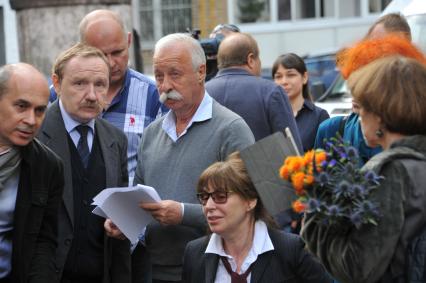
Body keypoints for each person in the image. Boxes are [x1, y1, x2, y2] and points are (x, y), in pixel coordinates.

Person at [105, 33, 255, 282]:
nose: (165, 86)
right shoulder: (153, 132)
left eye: (175, 74)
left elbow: (249, 205)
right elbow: (140, 199)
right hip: (153, 270)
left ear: (201, 72)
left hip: (211, 271)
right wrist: (124, 222)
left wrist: (183, 213)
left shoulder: (232, 128)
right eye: (159, 76)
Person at [302, 55, 426, 283]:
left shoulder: (391, 172)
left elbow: (357, 267)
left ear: (379, 117)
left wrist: (316, 204)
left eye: (361, 110)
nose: (357, 118)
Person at [38, 43, 131, 283]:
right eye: (80, 83)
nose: (91, 95)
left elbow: (119, 219)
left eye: (100, 85)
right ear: (57, 84)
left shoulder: (115, 140)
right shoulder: (35, 134)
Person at [49, 9, 166, 185]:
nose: (111, 63)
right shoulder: (56, 94)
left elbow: (160, 163)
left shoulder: (153, 96)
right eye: (101, 54)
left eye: (118, 52)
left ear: (128, 40)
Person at [182, 152, 332, 283]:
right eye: (204, 197)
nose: (208, 206)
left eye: (220, 196)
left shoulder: (290, 250)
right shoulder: (195, 253)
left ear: (250, 201)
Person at [314, 12, 412, 163]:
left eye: (386, 52)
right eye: (371, 48)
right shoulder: (331, 131)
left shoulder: (415, 130)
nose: (374, 58)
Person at [0, 63, 64, 283]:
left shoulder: (47, 167)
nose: (30, 120)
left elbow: (43, 242)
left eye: (39, 110)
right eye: (21, 106)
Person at [205, 32, 303, 150]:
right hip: (262, 168)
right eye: (259, 58)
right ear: (251, 59)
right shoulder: (271, 92)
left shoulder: (202, 93)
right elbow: (291, 148)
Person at [272, 53, 329, 151]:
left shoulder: (319, 116)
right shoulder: (269, 115)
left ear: (304, 77)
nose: (284, 81)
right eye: (278, 77)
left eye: (290, 75)